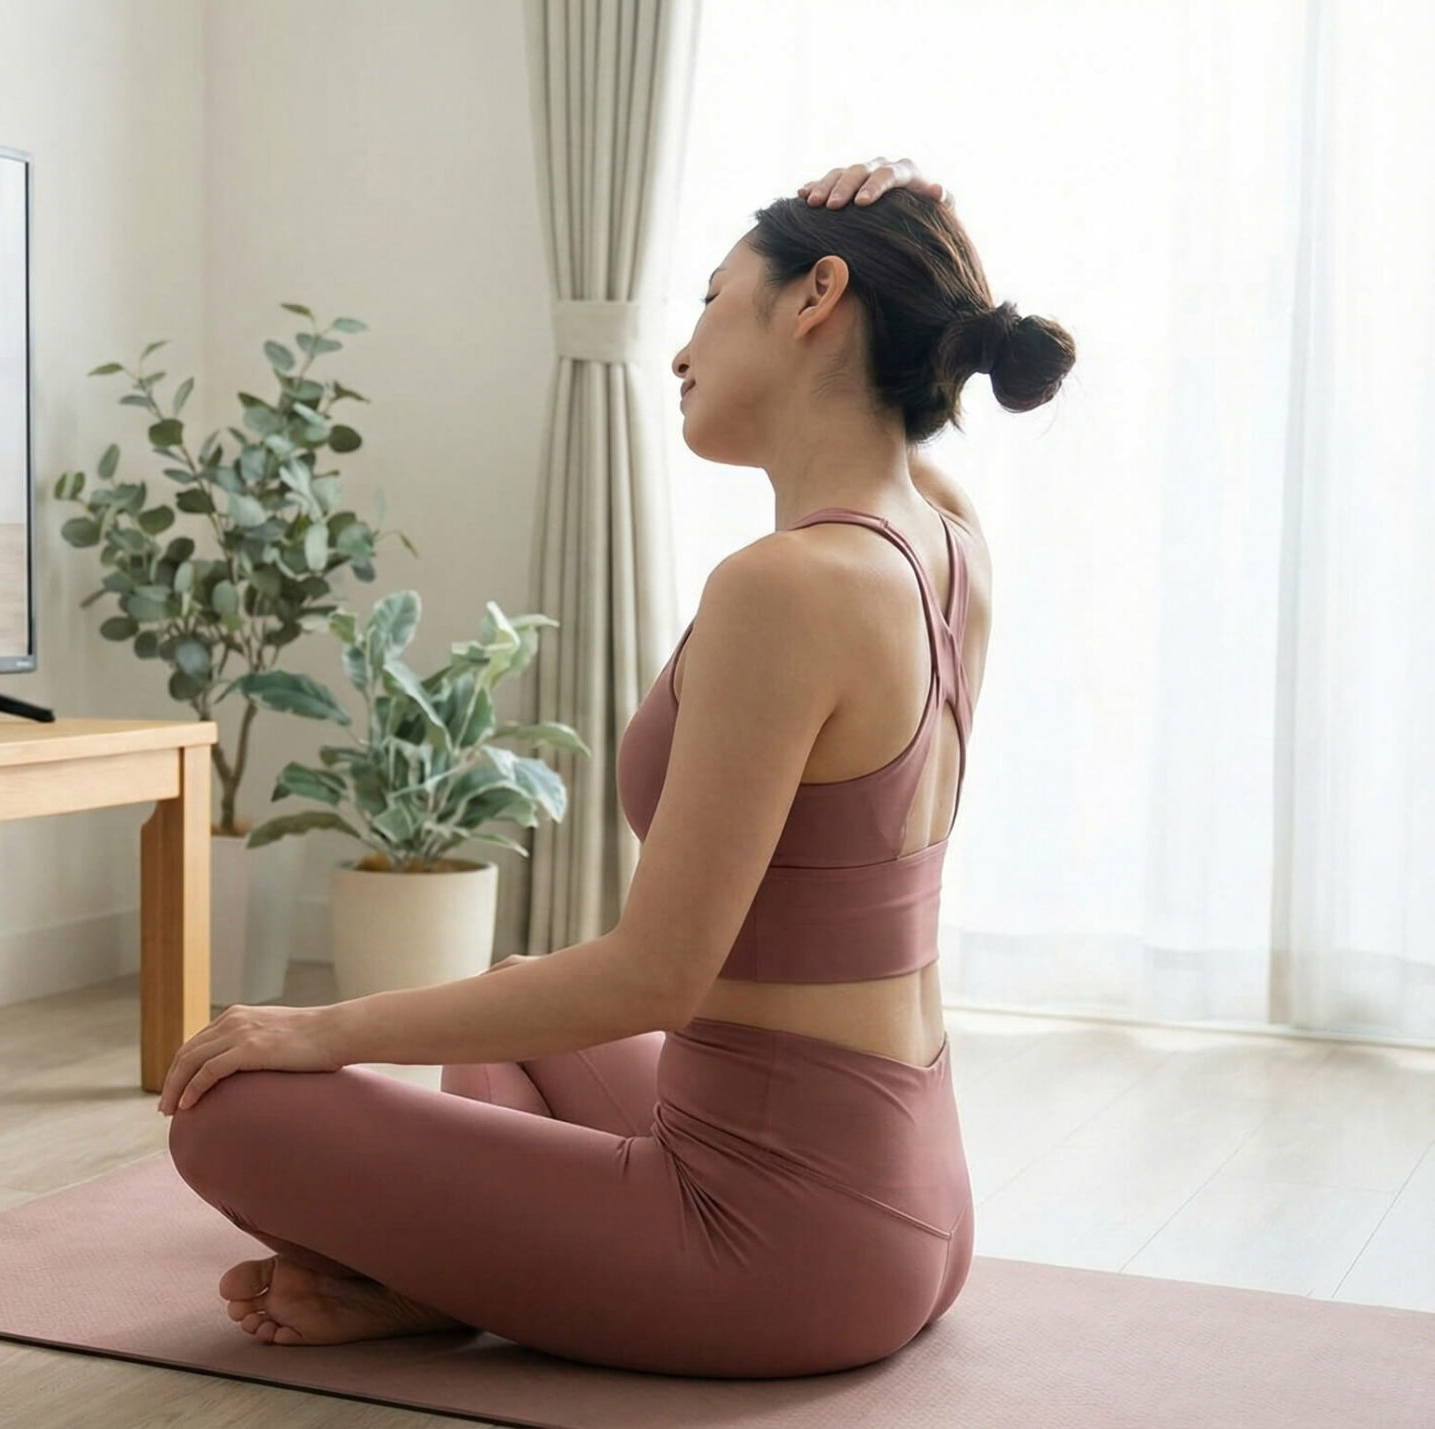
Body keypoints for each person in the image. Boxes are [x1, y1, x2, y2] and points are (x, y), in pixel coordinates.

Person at [163, 158, 1076, 1379]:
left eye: (709, 298)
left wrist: (321, 1027)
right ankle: (451, 1275)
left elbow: (653, 975)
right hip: (908, 1191)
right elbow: (904, 418)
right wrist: (922, 214)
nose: (682, 347)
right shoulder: (947, 546)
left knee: (231, 1109)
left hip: (779, 1245)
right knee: (520, 993)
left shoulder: (788, 586)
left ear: (816, 300)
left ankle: (437, 1273)